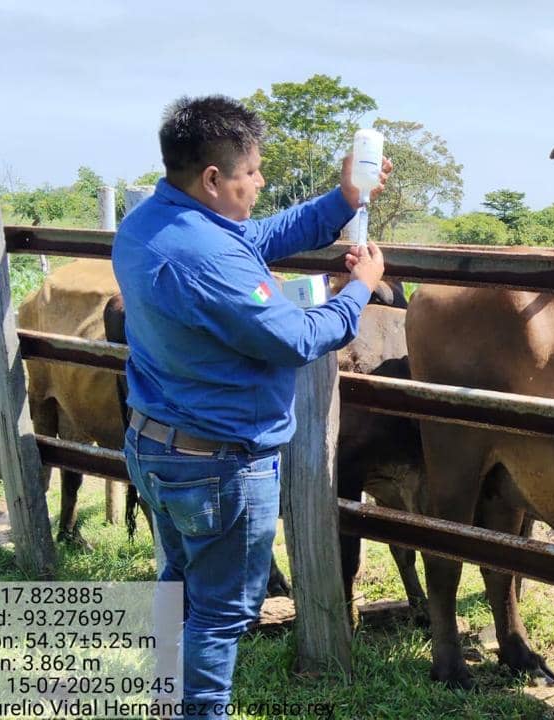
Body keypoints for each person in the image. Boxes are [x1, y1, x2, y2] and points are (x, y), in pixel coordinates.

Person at [112, 95, 391, 719]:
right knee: (219, 614)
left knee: (180, 586)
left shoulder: (151, 224)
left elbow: (256, 238)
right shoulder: (206, 257)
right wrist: (360, 292)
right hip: (218, 465)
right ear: (213, 178)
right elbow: (295, 338)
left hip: (156, 444)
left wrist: (343, 201)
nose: (261, 182)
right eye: (252, 172)